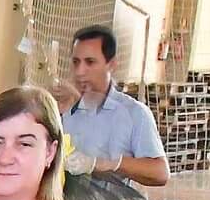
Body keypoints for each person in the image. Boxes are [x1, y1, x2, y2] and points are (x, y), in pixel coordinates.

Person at [62, 25, 170, 189]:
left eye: (90, 62)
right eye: (76, 62)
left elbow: (160, 173)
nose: (80, 71)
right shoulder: (66, 113)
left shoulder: (135, 114)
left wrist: (108, 164)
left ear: (111, 65)